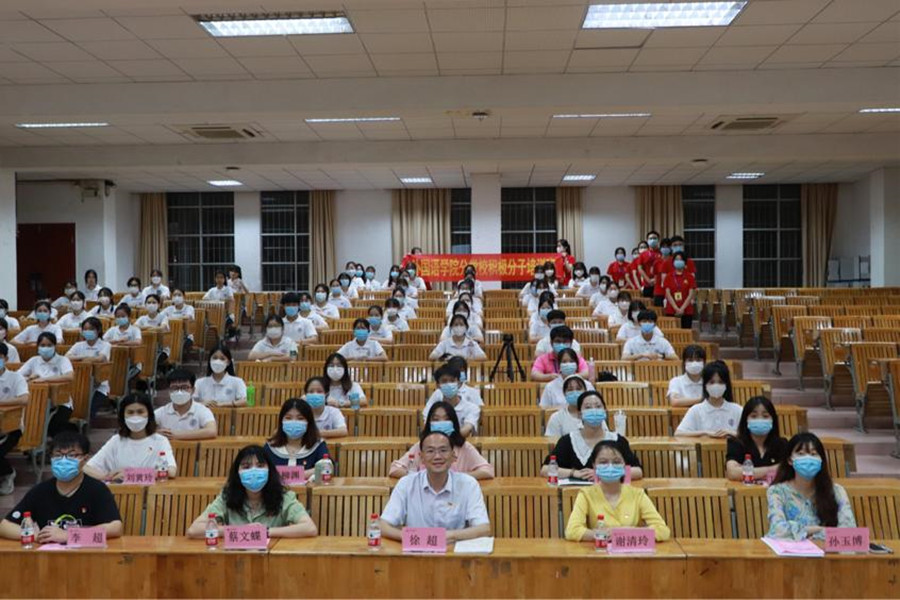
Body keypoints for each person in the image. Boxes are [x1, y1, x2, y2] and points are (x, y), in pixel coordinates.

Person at [0, 431, 123, 542]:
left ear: (85, 459)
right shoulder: (40, 491)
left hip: (86, 555)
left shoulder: (97, 490)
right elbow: (5, 526)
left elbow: (115, 527)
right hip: (49, 555)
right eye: (58, 455)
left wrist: (69, 535)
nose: (64, 461)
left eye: (71, 455)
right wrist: (36, 535)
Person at [380, 430, 490, 542]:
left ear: (453, 456)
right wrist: (413, 538)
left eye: (443, 450)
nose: (437, 456)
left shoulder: (468, 484)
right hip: (416, 549)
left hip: (452, 549)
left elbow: (484, 528)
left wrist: (447, 536)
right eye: (430, 451)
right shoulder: (406, 483)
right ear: (421, 457)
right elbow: (383, 525)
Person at [187, 445, 317, 539]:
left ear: (270, 470)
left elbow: (309, 528)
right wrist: (240, 531)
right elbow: (194, 530)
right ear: (237, 473)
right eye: (246, 467)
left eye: (260, 466)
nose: (254, 471)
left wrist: (265, 532)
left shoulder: (284, 496)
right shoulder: (227, 496)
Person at [565, 440, 670, 542]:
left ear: (624, 465)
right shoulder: (586, 494)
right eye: (603, 462)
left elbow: (662, 530)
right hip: (600, 550)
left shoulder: (637, 494)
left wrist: (627, 533)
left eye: (616, 462)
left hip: (631, 551)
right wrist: (602, 535)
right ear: (594, 466)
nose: (610, 466)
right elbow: (572, 531)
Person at [766, 432, 856, 540]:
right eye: (801, 454)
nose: (807, 458)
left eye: (813, 454)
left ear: (821, 460)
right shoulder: (777, 491)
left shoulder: (837, 491)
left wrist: (809, 533)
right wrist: (815, 530)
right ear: (790, 460)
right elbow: (777, 530)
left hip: (826, 550)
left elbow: (849, 530)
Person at [541, 391, 643, 481]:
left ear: (604, 412)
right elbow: (545, 470)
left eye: (598, 406)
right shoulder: (568, 441)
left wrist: (603, 473)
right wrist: (574, 473)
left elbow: (638, 471)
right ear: (580, 414)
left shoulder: (617, 440)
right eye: (588, 407)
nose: (594, 410)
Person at [84, 393, 176, 481]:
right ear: (123, 416)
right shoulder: (116, 441)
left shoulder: (160, 441)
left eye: (140, 412)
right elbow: (86, 468)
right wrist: (106, 477)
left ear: (149, 414)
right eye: (130, 412)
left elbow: (171, 471)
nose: (135, 416)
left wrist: (130, 474)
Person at [393, 402, 493, 480]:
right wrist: (419, 478)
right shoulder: (421, 446)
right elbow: (395, 469)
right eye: (436, 419)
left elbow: (487, 471)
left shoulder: (464, 446)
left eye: (446, 419)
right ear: (429, 423)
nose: (441, 423)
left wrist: (458, 478)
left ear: (453, 422)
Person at [20, 332, 75, 435]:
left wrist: (44, 380)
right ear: (38, 346)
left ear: (55, 346)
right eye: (43, 345)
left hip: (60, 403)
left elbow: (69, 376)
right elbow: (17, 377)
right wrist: (29, 378)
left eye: (49, 345)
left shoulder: (63, 360)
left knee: (53, 427)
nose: (46, 348)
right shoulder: (33, 360)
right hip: (37, 402)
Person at [726, 396, 789, 482]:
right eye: (754, 416)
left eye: (765, 416)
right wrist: (772, 469)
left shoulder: (782, 444)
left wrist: (748, 472)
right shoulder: (736, 443)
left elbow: (787, 471)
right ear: (745, 420)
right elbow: (733, 473)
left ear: (773, 420)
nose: (760, 420)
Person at [674, 360, 742, 438]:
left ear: (726, 385)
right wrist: (704, 432)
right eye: (712, 382)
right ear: (705, 385)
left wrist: (732, 433)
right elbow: (678, 434)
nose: (716, 385)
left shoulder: (737, 409)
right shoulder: (696, 410)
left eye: (720, 382)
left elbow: (749, 436)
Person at [263, 399, 330, 469]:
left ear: (309, 422)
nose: (294, 422)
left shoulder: (318, 445)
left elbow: (327, 467)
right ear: (281, 421)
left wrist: (302, 474)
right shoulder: (270, 447)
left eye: (300, 418)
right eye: (288, 418)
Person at [65, 318, 111, 417]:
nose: (87, 331)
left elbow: (99, 358)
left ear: (98, 330)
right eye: (85, 329)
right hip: (78, 385)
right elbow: (66, 357)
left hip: (99, 387)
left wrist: (78, 359)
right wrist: (85, 358)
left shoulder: (105, 345)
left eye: (91, 329)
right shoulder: (78, 345)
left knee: (87, 411)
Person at [154, 369, 217, 440]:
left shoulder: (202, 410)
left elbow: (212, 431)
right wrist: (156, 433)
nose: (179, 392)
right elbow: (145, 431)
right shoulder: (161, 412)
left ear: (193, 390)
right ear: (169, 391)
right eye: (175, 388)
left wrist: (176, 435)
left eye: (184, 387)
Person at [0, 343, 28, 494]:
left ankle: (8, 473)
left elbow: (24, 399)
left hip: (12, 427)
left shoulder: (16, 377)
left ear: (5, 358)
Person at [423, 365, 481, 437]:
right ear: (438, 385)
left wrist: (448, 439)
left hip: (459, 442)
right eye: (444, 381)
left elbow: (466, 429)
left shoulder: (472, 408)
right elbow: (427, 427)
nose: (449, 384)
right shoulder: (432, 407)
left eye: (452, 380)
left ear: (458, 383)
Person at [663, 250, 697, 330]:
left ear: (685, 262)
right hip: (671, 309)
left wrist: (682, 308)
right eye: (676, 259)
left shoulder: (690, 277)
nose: (678, 261)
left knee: (686, 332)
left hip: (686, 310)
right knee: (672, 332)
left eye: (681, 259)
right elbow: (668, 293)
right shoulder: (668, 276)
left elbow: (690, 294)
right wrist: (676, 308)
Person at [636, 231, 661, 299]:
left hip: (659, 285)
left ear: (658, 240)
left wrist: (656, 279)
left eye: (654, 238)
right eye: (650, 238)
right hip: (647, 284)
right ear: (647, 240)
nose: (652, 240)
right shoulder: (643, 254)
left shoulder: (662, 253)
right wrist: (648, 280)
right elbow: (640, 268)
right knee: (647, 303)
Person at [651, 237, 672, 307]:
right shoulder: (656, 262)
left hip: (672, 291)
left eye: (667, 246)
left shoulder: (673, 261)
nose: (665, 248)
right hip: (659, 292)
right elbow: (655, 278)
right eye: (663, 246)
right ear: (660, 248)